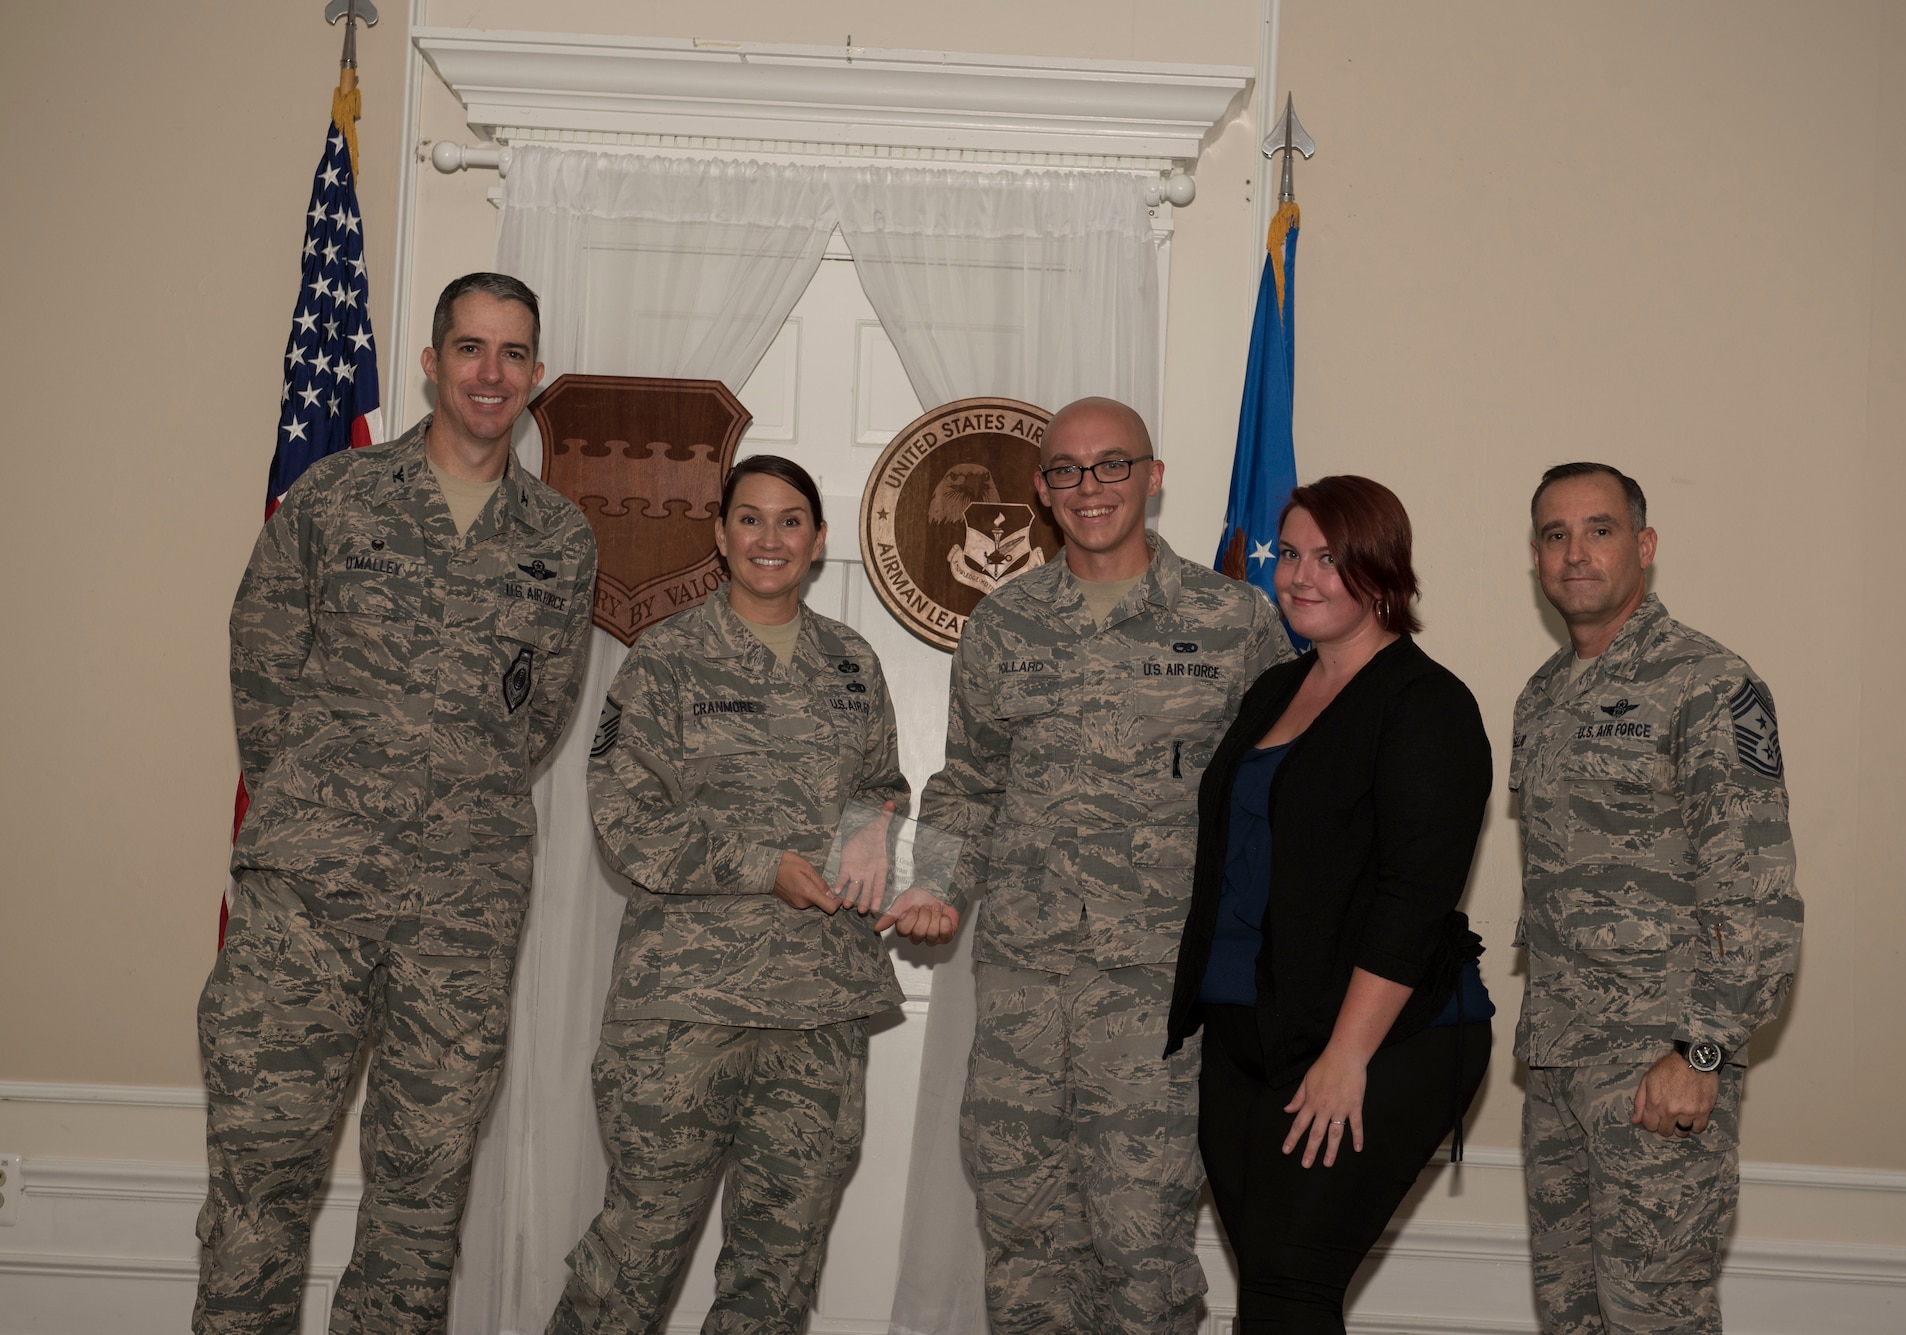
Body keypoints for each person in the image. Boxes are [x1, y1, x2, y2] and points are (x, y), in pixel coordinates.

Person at [200, 273, 598, 1332]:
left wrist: (451, 801)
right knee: (261, 1181)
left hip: (462, 912)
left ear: (535, 377)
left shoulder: (558, 540)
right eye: (470, 348)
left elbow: (540, 710)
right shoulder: (335, 497)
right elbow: (263, 658)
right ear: (430, 362)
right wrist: (323, 807)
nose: (489, 373)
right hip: (308, 901)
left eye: (513, 355)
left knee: (422, 1201)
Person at [547, 456, 957, 1335]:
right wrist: (760, 864)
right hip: (685, 1009)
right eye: (751, 519)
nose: (770, 539)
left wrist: (874, 820)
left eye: (791, 521)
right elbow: (625, 814)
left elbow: (885, 784)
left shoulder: (852, 661)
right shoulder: (666, 658)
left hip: (819, 1009)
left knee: (776, 1276)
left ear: (816, 541)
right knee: (632, 1260)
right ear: (721, 535)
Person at [919, 397, 1294, 1335]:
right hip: (1021, 987)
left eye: (1112, 465)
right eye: (1068, 471)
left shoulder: (1233, 621)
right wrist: (932, 881)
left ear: (1153, 477)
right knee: (1023, 1234)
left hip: (1156, 991)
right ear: (1043, 492)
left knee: (1142, 1243)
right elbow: (966, 782)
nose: (1090, 488)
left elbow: (1283, 800)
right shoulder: (1003, 625)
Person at [1165, 474, 1494, 1332]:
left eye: (1331, 559)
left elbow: (1414, 896)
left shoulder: (1428, 705)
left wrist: (1348, 1056)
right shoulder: (1276, 688)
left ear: (1383, 573)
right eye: (1292, 555)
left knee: (1289, 1287)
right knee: (1274, 1287)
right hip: (1249, 1031)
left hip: (1380, 1041)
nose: (1302, 576)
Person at [1514, 462, 1802, 1334]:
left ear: (1643, 546)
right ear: (1534, 557)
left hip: (1657, 1064)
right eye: (1555, 535)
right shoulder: (1541, 696)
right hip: (1559, 1061)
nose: (1575, 553)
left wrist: (1704, 1052)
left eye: (1598, 530)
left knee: (1657, 1319)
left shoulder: (1709, 683)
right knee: (1572, 1317)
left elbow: (1755, 886)